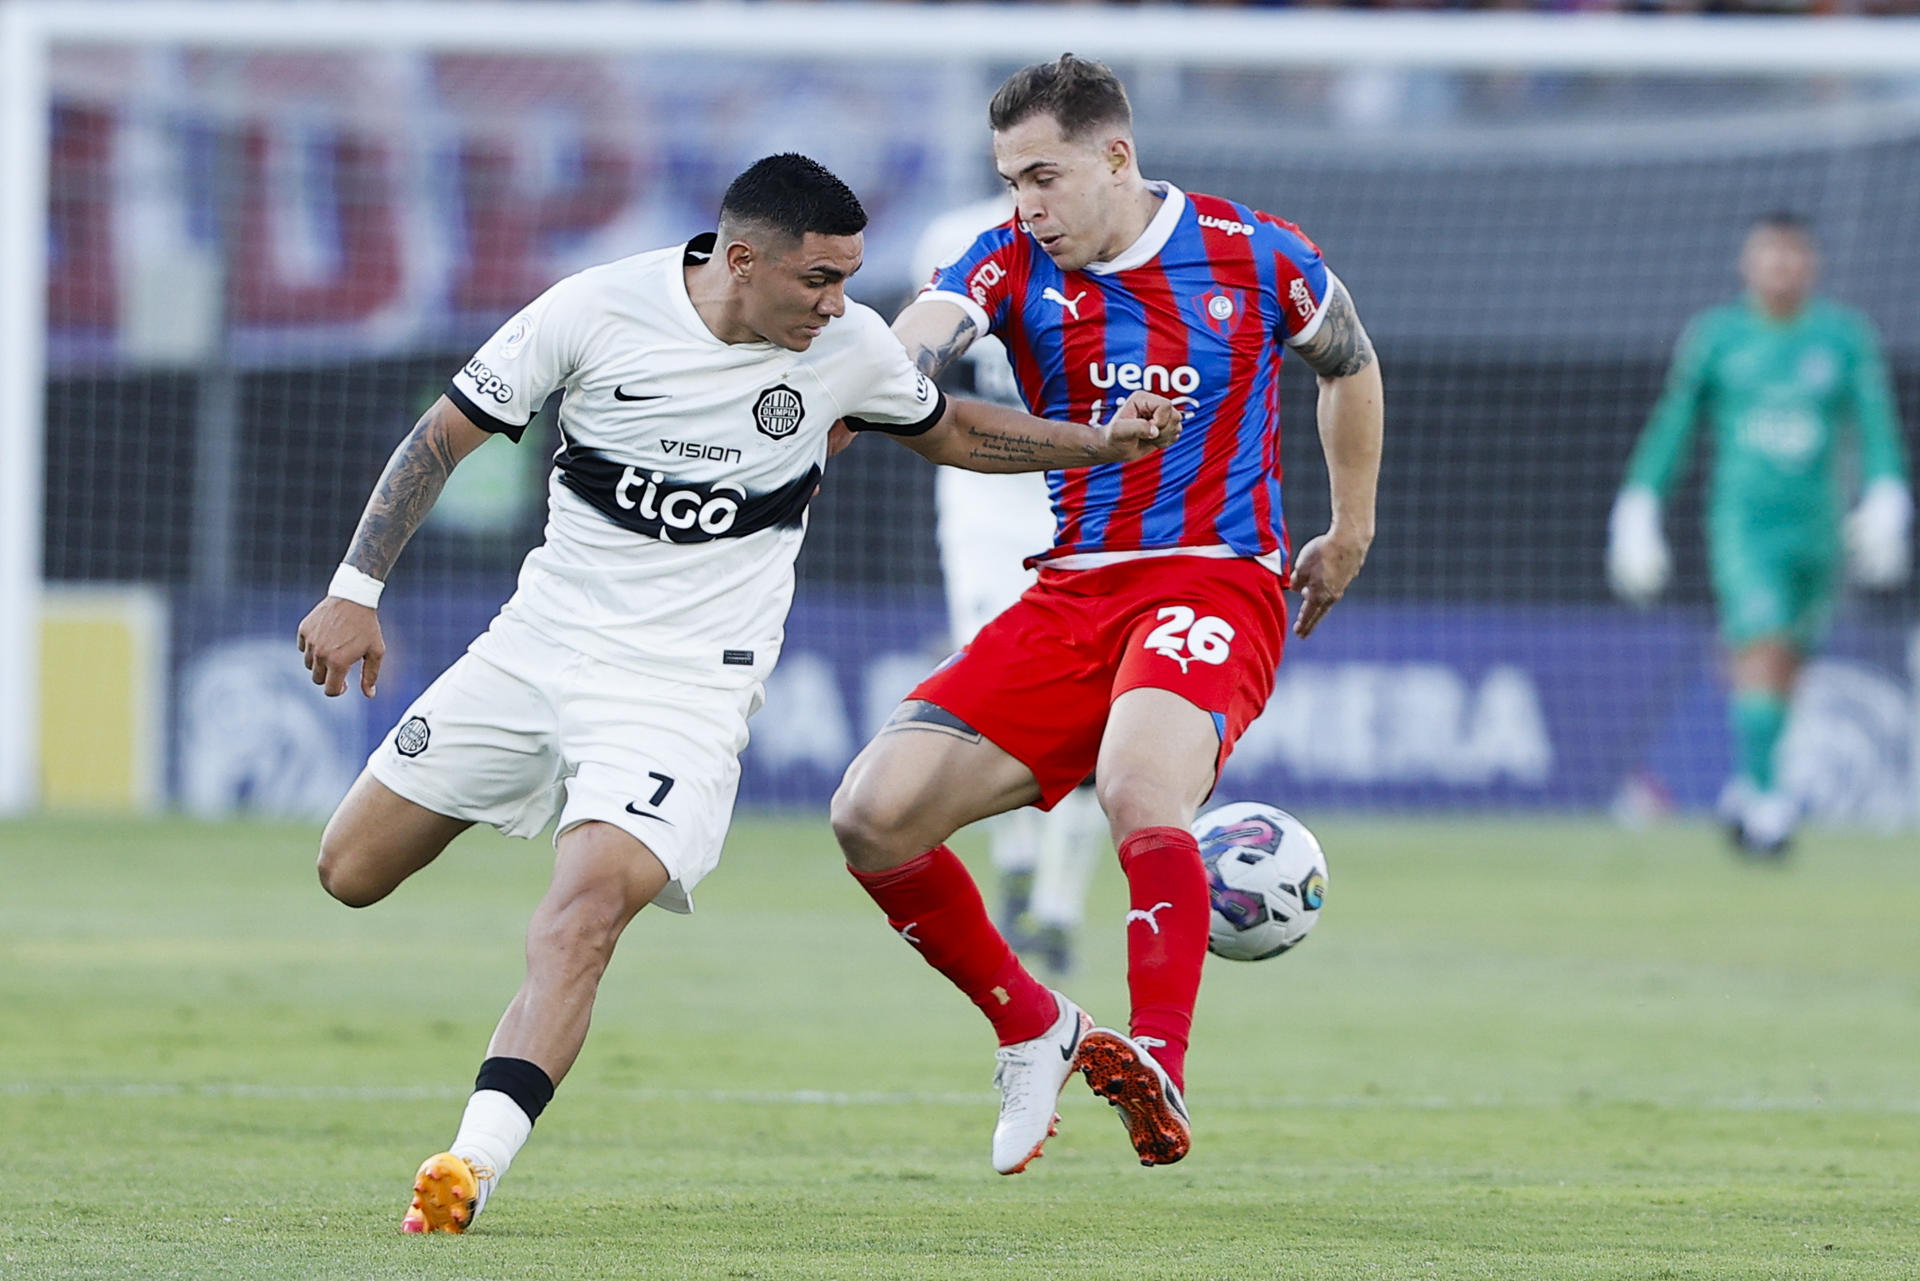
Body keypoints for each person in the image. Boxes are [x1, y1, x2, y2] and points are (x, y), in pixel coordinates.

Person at [295, 153, 1179, 1234]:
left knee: (581, 918)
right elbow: (443, 437)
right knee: (351, 870)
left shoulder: (846, 349)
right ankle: (532, 798)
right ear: (741, 258)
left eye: (850, 279)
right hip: (537, 648)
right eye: (818, 280)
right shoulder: (592, 309)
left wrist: (1097, 444)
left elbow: (947, 428)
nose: (840, 305)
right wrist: (355, 590)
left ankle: (469, 1167)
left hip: (683, 692)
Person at [830, 55, 1384, 1173]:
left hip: (1214, 576)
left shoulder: (1254, 251)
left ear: (1116, 157)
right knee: (870, 816)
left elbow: (1350, 363)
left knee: (1138, 785)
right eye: (1010, 180)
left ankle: (1158, 1061)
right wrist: (883, 372)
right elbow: (929, 328)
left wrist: (1352, 526)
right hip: (1073, 588)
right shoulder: (1006, 258)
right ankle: (1033, 1024)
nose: (1026, 205)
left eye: (1044, 176)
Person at [1608, 211, 1911, 857]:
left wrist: (1888, 494)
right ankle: (1771, 807)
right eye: (1769, 254)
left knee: (1788, 662)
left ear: (1811, 263)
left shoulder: (1843, 337)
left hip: (1818, 532)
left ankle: (1750, 783)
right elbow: (1674, 427)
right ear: (1749, 262)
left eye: (1793, 254)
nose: (1781, 266)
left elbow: (1876, 424)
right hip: (1744, 527)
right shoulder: (1719, 338)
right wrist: (1638, 506)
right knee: (1763, 640)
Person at [916, 196, 1108, 976]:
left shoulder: (1126, 238)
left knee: (1096, 698)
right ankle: (1018, 861)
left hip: (1086, 498)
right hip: (984, 499)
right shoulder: (954, 234)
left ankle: (1059, 908)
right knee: (991, 690)